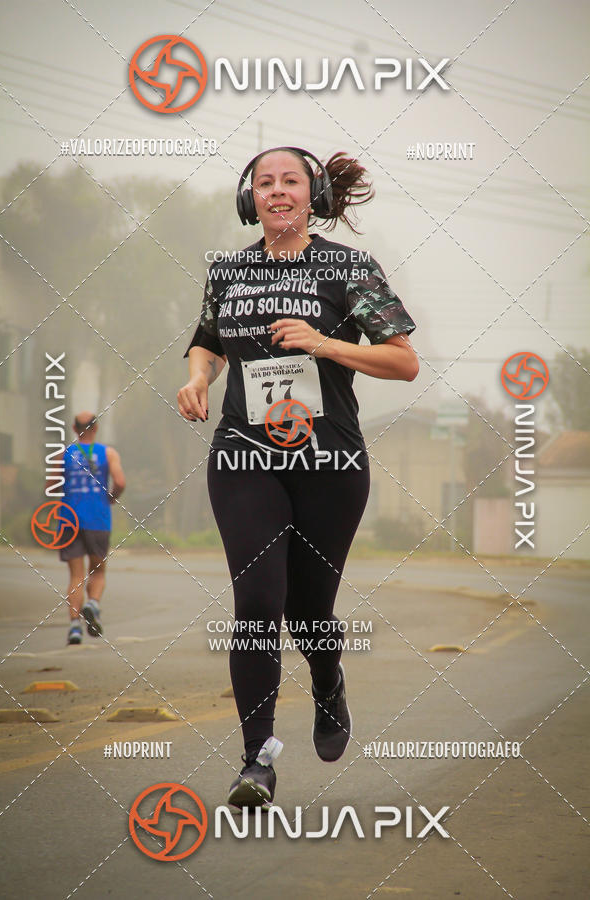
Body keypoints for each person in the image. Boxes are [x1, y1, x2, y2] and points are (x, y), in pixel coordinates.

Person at [177, 146, 418, 809]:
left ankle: (327, 676)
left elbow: (403, 361)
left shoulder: (348, 268)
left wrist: (324, 342)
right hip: (244, 456)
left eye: (290, 181)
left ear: (313, 196)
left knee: (309, 613)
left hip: (328, 461)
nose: (277, 191)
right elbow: (208, 340)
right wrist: (198, 378)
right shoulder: (229, 271)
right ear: (248, 197)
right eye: (265, 182)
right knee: (257, 603)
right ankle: (257, 762)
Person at [55, 412, 126, 645]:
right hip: (98, 519)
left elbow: (51, 485)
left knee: (76, 575)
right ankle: (93, 604)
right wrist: (111, 498)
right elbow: (120, 482)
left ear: (74, 429)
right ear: (95, 428)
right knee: (98, 571)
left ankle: (75, 627)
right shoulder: (108, 453)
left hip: (69, 519)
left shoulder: (64, 454)